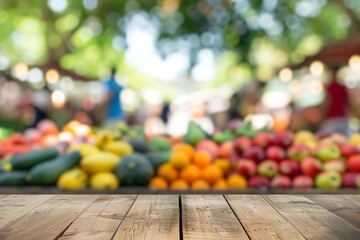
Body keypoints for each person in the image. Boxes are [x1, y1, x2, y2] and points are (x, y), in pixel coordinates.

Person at [320, 66, 350, 136]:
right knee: (344, 139)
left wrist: (322, 116)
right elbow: (348, 103)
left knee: (327, 138)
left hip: (331, 119)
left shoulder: (330, 87)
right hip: (342, 118)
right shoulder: (343, 87)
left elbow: (327, 103)